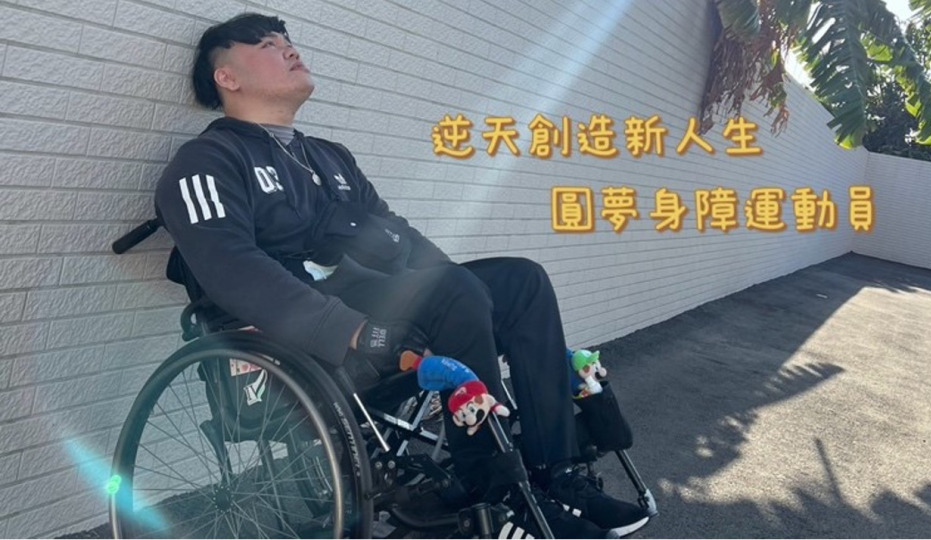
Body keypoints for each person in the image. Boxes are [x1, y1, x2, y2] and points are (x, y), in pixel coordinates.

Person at [154, 12, 649, 539]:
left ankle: (555, 475)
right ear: (226, 77)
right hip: (314, 336)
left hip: (377, 304)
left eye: (287, 40)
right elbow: (231, 269)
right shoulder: (207, 160)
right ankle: (495, 493)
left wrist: (471, 299)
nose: (289, 49)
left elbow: (398, 235)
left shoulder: (329, 158)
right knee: (451, 291)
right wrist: (351, 330)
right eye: (267, 45)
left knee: (519, 282)